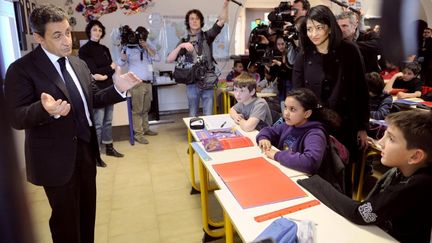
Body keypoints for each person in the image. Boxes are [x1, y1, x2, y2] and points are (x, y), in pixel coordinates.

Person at [3, 5, 141, 243]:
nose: (67, 40)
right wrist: (43, 109)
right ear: (38, 38)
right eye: (57, 35)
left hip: (86, 151)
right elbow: (16, 117)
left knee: (87, 215)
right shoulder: (21, 70)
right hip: (54, 158)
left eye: (67, 32)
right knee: (66, 223)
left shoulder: (78, 64)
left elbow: (95, 98)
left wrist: (119, 89)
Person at [298, 110, 432, 243]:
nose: (381, 142)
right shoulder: (403, 171)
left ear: (415, 156)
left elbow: (359, 213)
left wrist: (313, 181)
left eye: (391, 138)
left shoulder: (417, 185)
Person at [292, 5, 370, 195]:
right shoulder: (304, 54)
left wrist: (362, 127)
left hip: (344, 124)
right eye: (309, 29)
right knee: (313, 174)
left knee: (341, 177)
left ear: (330, 26)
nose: (314, 34)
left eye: (319, 27)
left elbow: (360, 90)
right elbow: (298, 93)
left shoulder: (349, 50)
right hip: (313, 124)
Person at [256, 88, 340, 174]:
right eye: (285, 107)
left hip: (304, 181)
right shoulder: (289, 124)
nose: (286, 113)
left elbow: (310, 162)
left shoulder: (315, 134)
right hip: (285, 172)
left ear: (307, 114)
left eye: (292, 109)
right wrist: (263, 138)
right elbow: (268, 130)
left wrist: (277, 155)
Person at [167, 1, 228, 117]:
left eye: (197, 19)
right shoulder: (183, 40)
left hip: (207, 81)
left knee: (208, 114)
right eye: (191, 19)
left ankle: (209, 135)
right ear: (188, 22)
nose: (194, 21)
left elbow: (221, 21)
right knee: (192, 113)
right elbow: (170, 59)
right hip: (191, 83)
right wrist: (181, 46)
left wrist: (225, 5)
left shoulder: (207, 36)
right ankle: (194, 135)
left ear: (201, 21)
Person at [79, 20, 124, 164]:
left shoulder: (105, 49)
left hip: (109, 87)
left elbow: (110, 69)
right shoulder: (84, 50)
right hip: (96, 90)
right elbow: (93, 71)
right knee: (98, 122)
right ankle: (96, 153)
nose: (97, 32)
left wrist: (105, 72)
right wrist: (107, 69)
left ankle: (109, 147)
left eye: (99, 30)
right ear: (89, 32)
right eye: (94, 30)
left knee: (108, 120)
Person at [118, 26, 159, 144]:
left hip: (148, 83)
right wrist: (122, 55)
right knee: (137, 110)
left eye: (144, 37)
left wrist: (146, 47)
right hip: (136, 83)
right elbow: (120, 62)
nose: (142, 39)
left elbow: (157, 57)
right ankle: (138, 134)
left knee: (146, 109)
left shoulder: (147, 46)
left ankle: (146, 129)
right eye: (140, 37)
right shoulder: (128, 48)